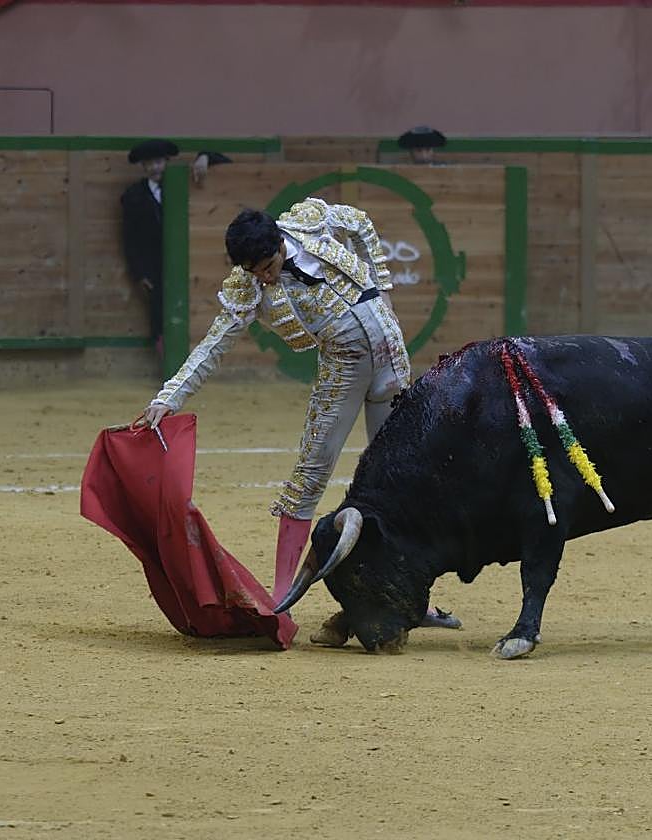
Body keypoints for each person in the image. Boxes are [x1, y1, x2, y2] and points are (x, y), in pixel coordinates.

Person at [132, 199, 461, 645]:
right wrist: (168, 398)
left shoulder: (308, 222)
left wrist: (382, 287)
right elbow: (212, 345)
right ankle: (280, 601)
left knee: (402, 484)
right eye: (256, 273)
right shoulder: (249, 287)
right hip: (343, 368)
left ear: (280, 244)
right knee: (308, 476)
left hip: (392, 356)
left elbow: (361, 223)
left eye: (268, 267)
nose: (265, 278)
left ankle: (410, 600)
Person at [120, 139, 231, 356]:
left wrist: (205, 156)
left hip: (190, 262)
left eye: (159, 162)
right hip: (155, 268)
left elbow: (226, 163)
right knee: (160, 318)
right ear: (143, 166)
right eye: (149, 163)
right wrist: (140, 273)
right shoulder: (133, 196)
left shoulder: (185, 184)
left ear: (166, 162)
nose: (155, 167)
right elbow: (129, 238)